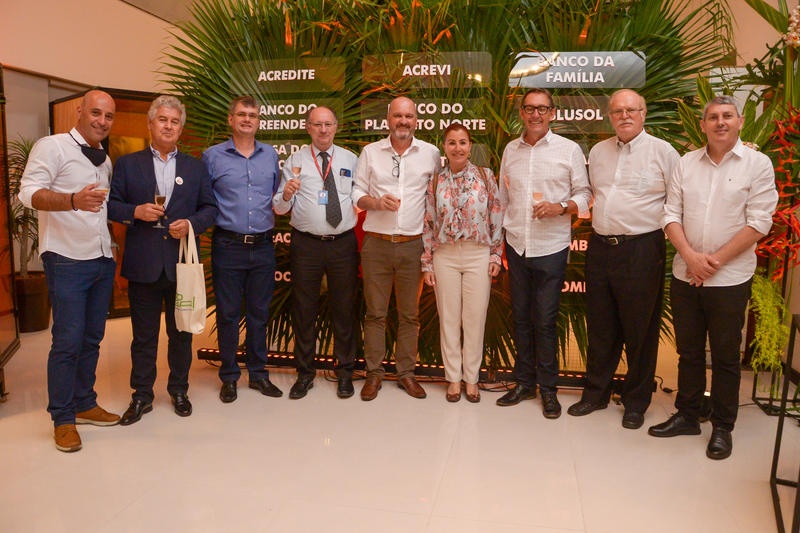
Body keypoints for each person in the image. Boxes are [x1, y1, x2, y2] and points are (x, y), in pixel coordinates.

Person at [648, 95, 778, 460]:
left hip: (730, 277)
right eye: (713, 117)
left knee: (724, 355)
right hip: (686, 274)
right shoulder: (686, 163)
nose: (720, 122)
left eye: (727, 116)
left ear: (739, 122)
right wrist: (691, 257)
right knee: (689, 352)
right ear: (703, 125)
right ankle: (688, 415)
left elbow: (759, 222)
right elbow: (670, 214)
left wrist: (714, 262)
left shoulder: (757, 164)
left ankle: (723, 426)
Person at [567, 89, 680, 429]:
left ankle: (636, 401)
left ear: (643, 113)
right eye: (618, 111)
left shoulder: (663, 152)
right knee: (601, 326)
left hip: (642, 249)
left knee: (639, 329)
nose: (624, 116)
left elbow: (677, 202)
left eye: (631, 110)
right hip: (601, 247)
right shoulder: (598, 152)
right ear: (610, 117)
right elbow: (592, 194)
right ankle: (595, 394)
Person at [18, 89, 119, 452]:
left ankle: (84, 402)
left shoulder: (105, 160)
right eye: (96, 113)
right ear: (80, 111)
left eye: (108, 116)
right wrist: (72, 200)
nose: (102, 121)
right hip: (66, 260)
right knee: (67, 341)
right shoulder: (52, 146)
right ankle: (62, 418)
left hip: (101, 259)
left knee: (92, 338)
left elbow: (103, 210)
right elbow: (27, 193)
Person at [108, 95, 218, 425]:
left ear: (180, 128)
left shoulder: (196, 167)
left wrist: (191, 224)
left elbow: (210, 209)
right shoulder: (128, 164)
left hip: (181, 266)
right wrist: (135, 212)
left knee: (181, 333)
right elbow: (111, 206)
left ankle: (179, 390)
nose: (168, 126)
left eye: (174, 121)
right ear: (150, 124)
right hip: (143, 265)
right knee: (143, 337)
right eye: (163, 120)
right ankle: (142, 395)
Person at [496, 88, 592, 418]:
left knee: (546, 320)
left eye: (542, 109)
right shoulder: (511, 150)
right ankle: (524, 383)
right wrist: (499, 242)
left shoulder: (569, 149)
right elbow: (502, 198)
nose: (535, 114)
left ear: (552, 113)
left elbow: (585, 194)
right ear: (521, 113)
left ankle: (549, 390)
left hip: (551, 246)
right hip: (517, 244)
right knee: (521, 318)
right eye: (529, 108)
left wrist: (560, 206)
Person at [353, 96, 441, 401]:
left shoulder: (431, 153)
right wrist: (375, 203)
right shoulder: (370, 152)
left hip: (413, 246)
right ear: (388, 119)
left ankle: (406, 374)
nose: (403, 121)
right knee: (375, 314)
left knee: (410, 316)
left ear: (416, 120)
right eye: (398, 116)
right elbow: (356, 192)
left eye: (409, 116)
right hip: (376, 244)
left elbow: (437, 196)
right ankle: (374, 374)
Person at [273, 106, 359, 399]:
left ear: (336, 127)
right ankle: (305, 372)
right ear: (308, 127)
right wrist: (286, 194)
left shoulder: (350, 159)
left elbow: (359, 196)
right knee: (304, 308)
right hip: (306, 244)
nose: (323, 130)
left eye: (328, 124)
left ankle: (345, 372)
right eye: (317, 124)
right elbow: (280, 207)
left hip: (342, 243)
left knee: (344, 308)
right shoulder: (295, 161)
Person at [203, 95, 282, 403]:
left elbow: (276, 196)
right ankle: (229, 376)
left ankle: (259, 374)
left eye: (252, 115)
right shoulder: (212, 157)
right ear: (231, 119)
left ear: (258, 121)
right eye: (241, 114)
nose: (247, 119)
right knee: (227, 314)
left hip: (263, 246)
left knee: (259, 313)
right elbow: (205, 199)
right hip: (228, 245)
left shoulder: (270, 155)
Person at [421, 123, 503, 403]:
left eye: (463, 142)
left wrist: (495, 255)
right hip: (445, 255)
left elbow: (496, 216)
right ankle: (453, 378)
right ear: (444, 147)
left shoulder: (485, 176)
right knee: (449, 318)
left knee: (474, 319)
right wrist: (427, 262)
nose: (458, 148)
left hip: (477, 254)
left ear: (470, 146)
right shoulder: (435, 181)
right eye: (452, 142)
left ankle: (472, 379)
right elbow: (428, 222)